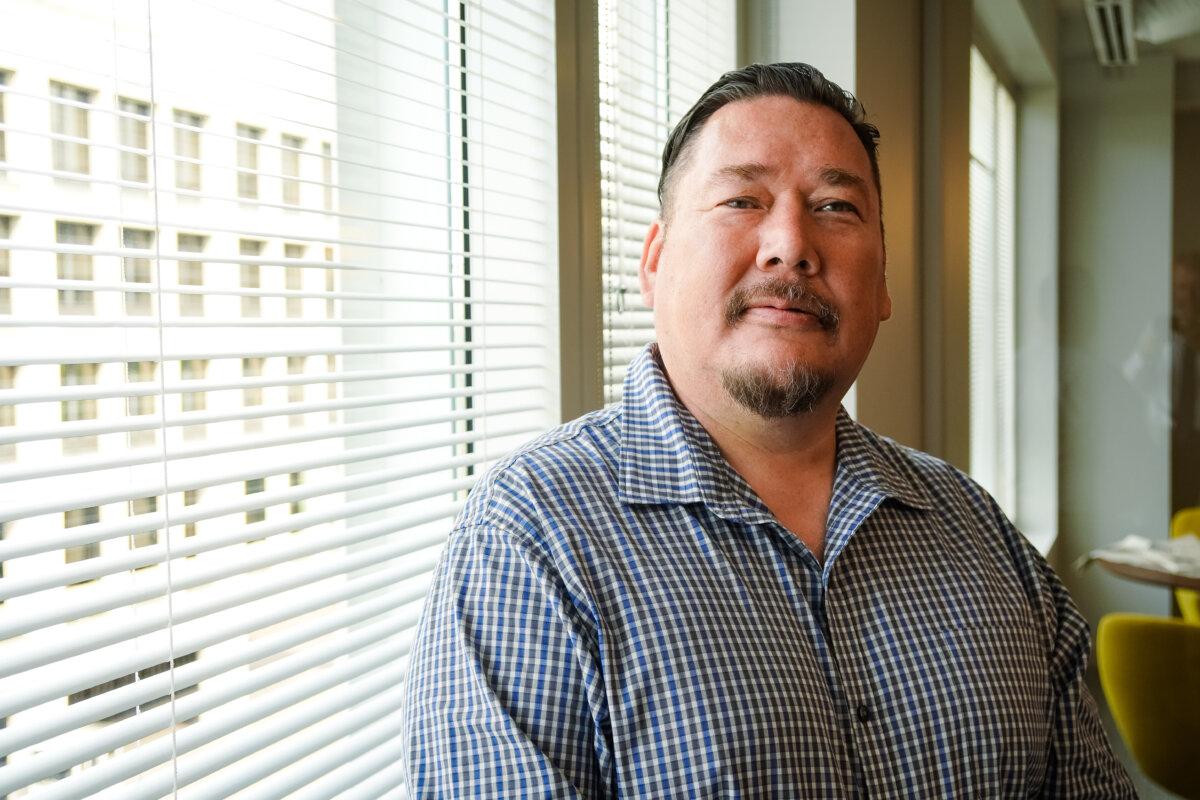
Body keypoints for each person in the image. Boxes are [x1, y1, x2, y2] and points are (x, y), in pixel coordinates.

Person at [403, 62, 1136, 797]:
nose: (791, 244)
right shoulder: (530, 541)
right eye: (741, 199)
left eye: (837, 208)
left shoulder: (975, 527)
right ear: (655, 263)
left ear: (882, 285)